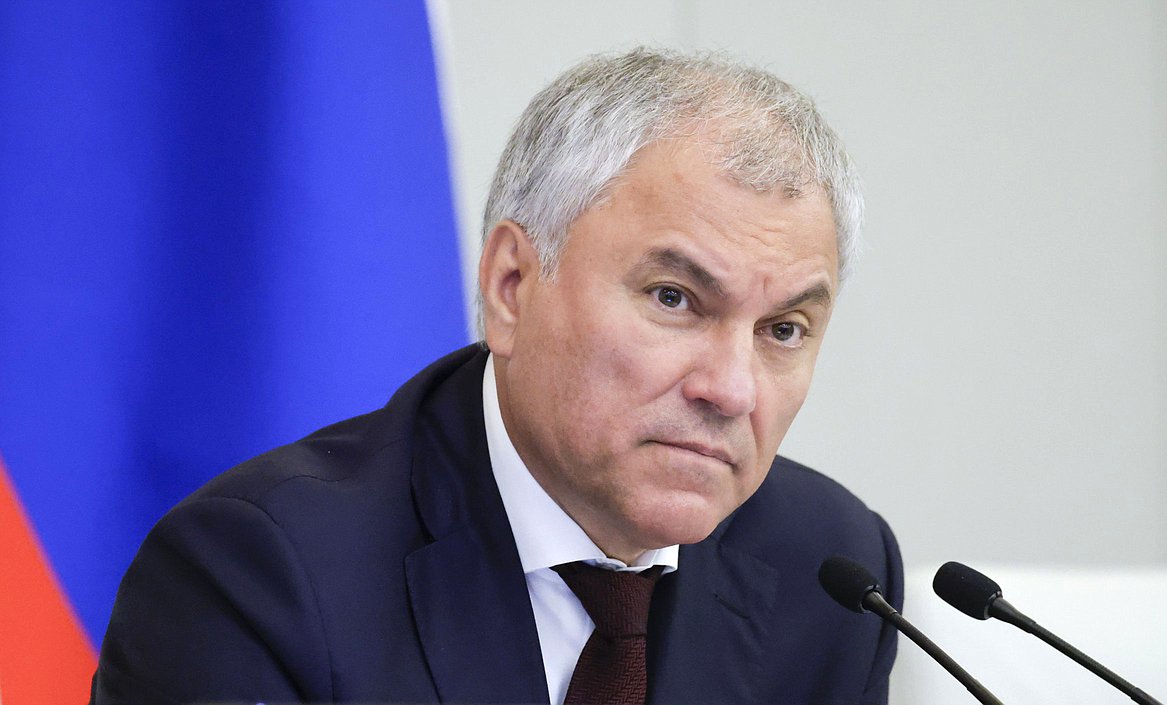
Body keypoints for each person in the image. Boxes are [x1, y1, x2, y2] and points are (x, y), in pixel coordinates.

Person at [90, 47, 902, 705]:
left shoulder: (832, 573)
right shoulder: (262, 578)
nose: (731, 389)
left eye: (783, 329)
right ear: (511, 285)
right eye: (673, 298)